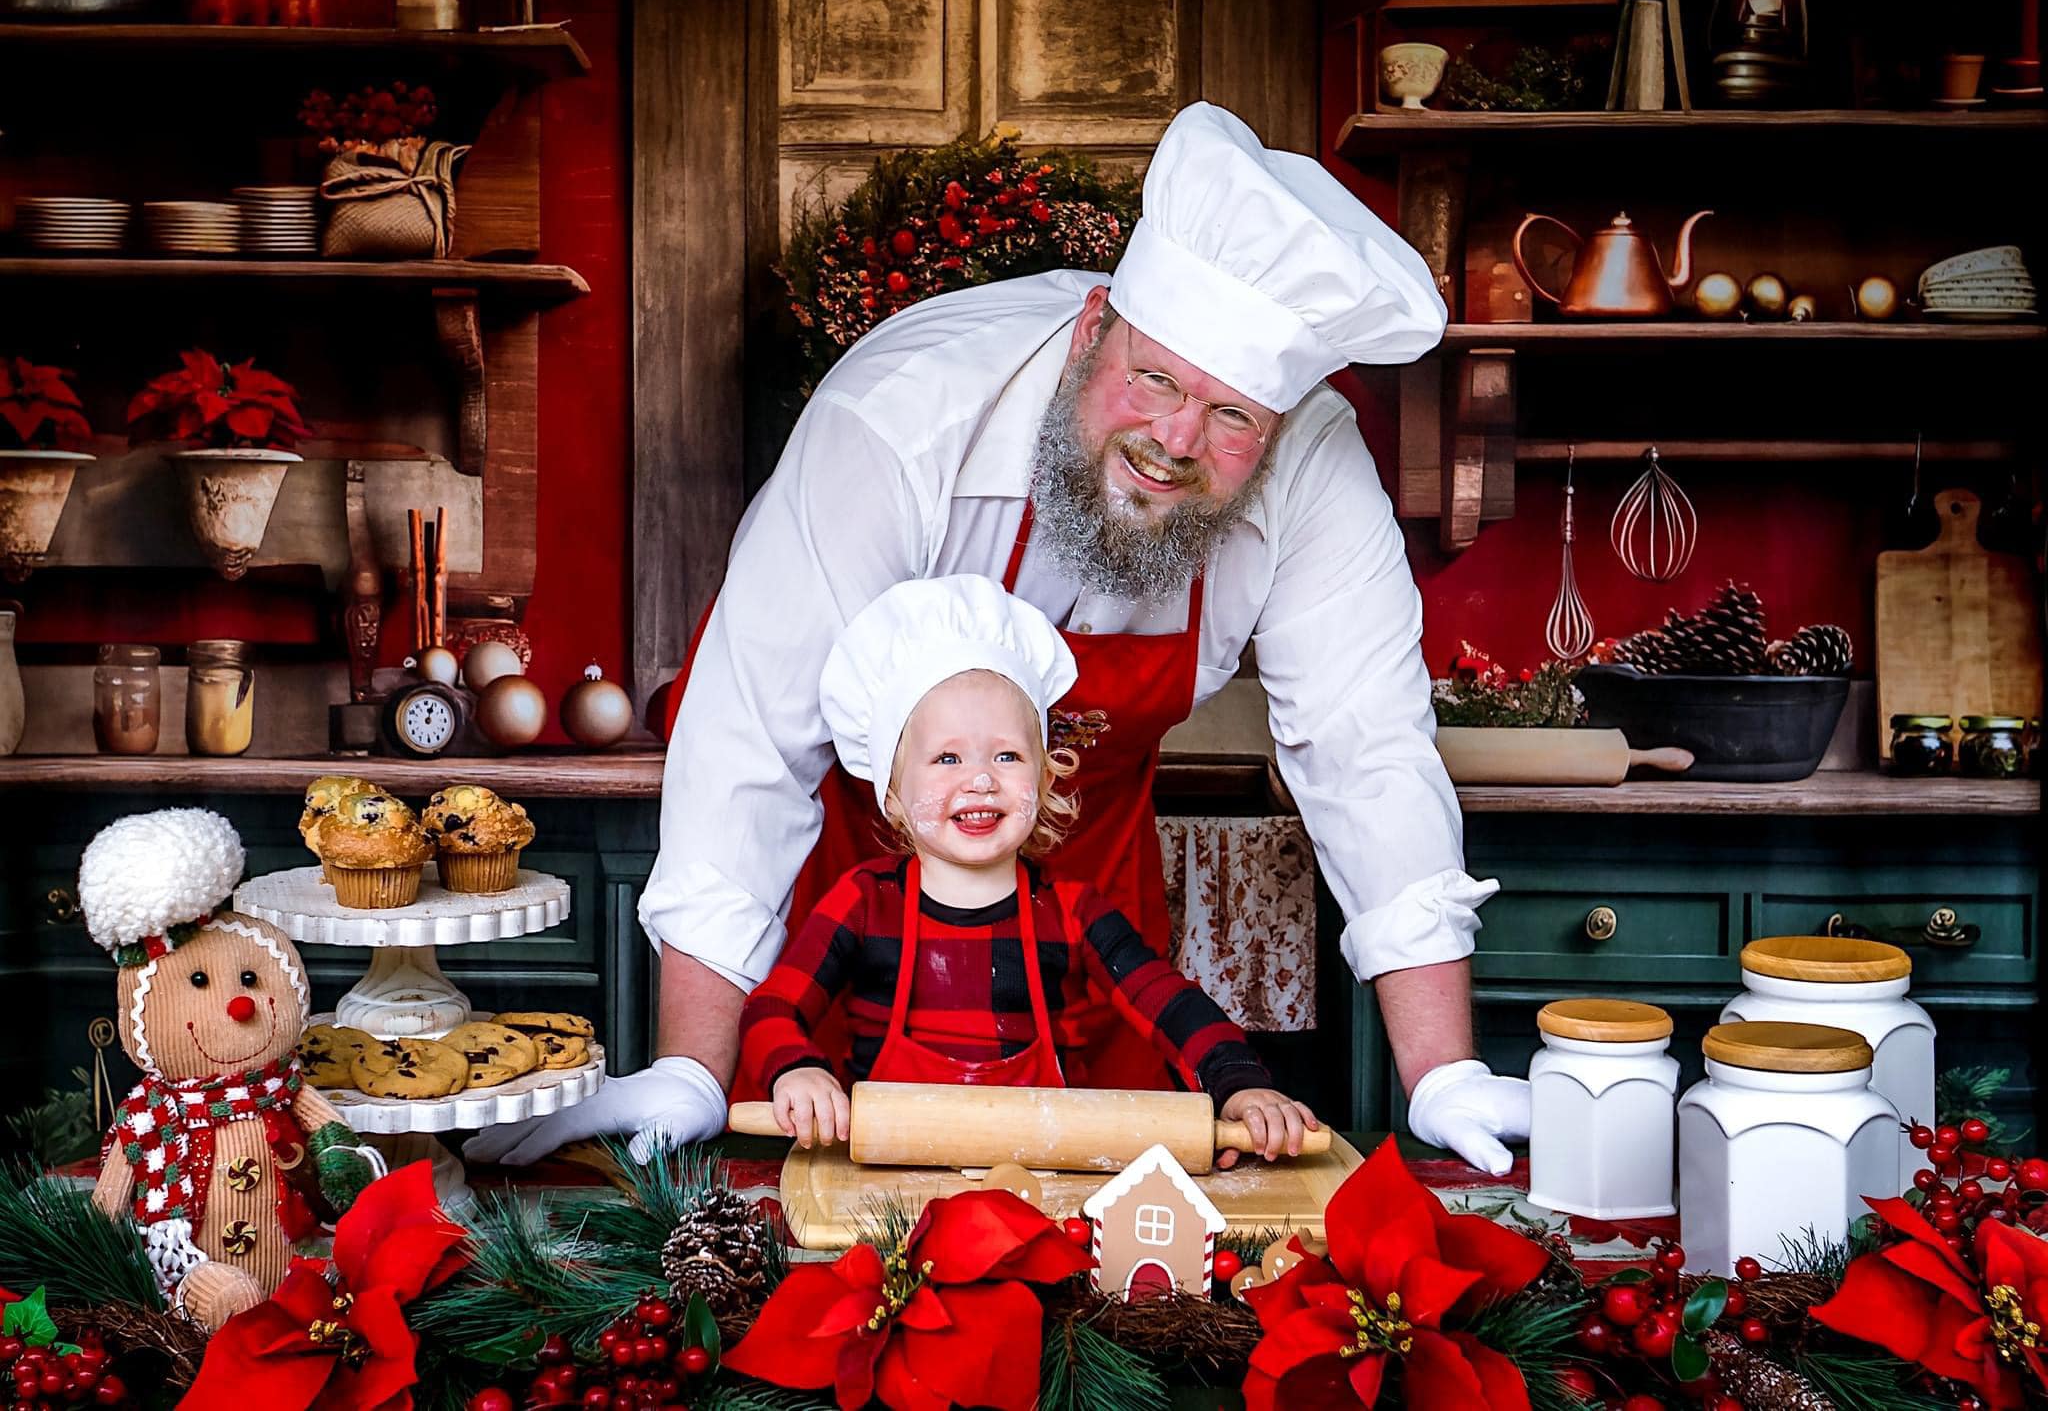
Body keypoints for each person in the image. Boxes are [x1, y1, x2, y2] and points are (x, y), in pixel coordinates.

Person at [469, 100, 1529, 1173]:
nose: (1172, 442)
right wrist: (695, 1066)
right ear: (1089, 331)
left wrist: (1439, 1071)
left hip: (1087, 892)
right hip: (856, 871)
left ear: (1281, 424)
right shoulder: (897, 418)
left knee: (1111, 1259)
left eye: (1232, 418)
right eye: (1153, 379)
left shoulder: (1315, 476)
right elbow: (748, 745)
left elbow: (1368, 752)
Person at [745, 575, 1317, 1164]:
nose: (981, 778)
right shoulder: (864, 904)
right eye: (947, 757)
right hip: (886, 1187)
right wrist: (798, 1070)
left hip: (1043, 1186)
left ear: (1044, 782)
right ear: (891, 792)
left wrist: (1239, 1080)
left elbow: (1169, 1003)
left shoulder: (1072, 911)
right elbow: (772, 1009)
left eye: (1008, 756)